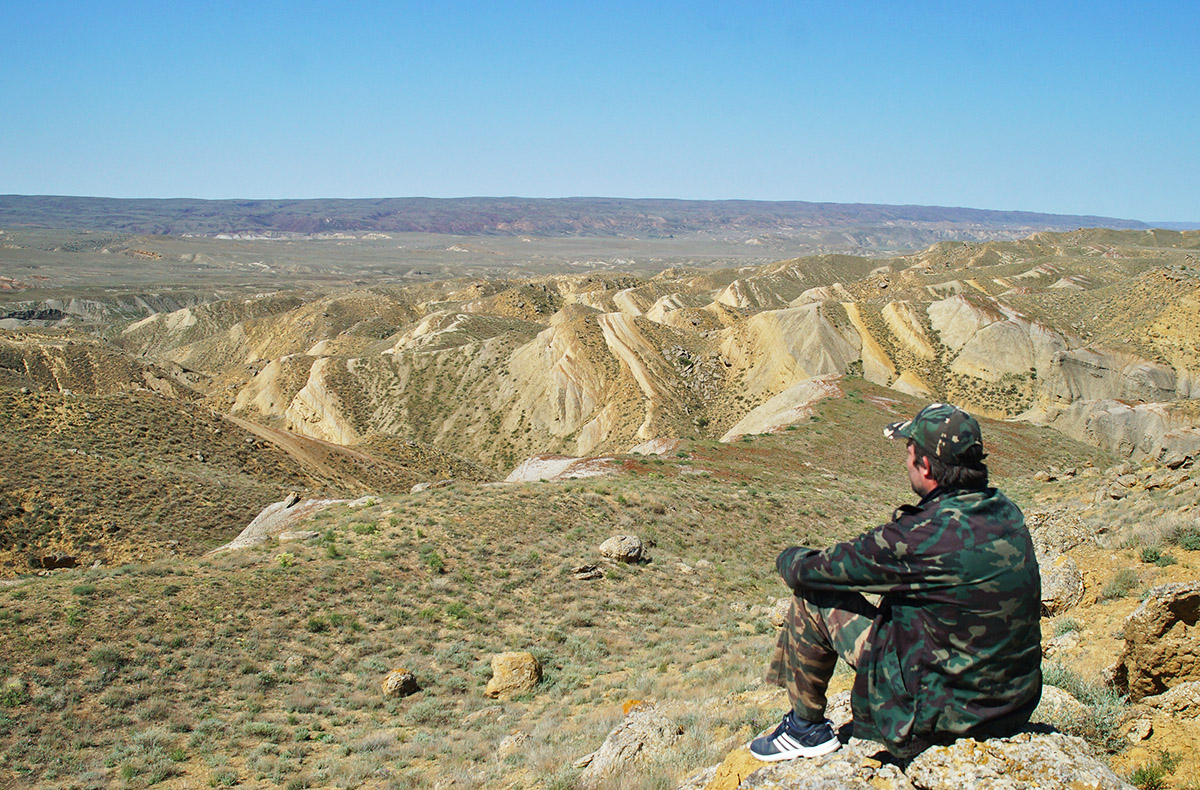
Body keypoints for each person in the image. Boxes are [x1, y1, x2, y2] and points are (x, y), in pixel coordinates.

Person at [750, 402, 1042, 762]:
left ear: (926, 465)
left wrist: (787, 556)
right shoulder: (1006, 511)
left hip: (939, 721)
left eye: (909, 453)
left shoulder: (919, 538)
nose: (906, 462)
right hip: (1014, 706)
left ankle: (804, 729)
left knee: (812, 595)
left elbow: (813, 571)